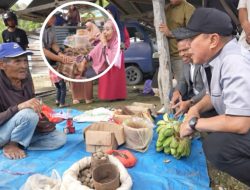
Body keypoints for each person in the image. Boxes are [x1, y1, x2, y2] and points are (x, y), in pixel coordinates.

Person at [176, 8, 250, 186]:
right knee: (207, 116)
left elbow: (240, 123)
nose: (188, 45)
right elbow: (213, 95)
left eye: (192, 39)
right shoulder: (214, 61)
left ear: (213, 40)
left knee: (216, 148)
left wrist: (193, 124)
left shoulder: (234, 61)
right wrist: (194, 108)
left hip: (244, 120)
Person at [0, 42, 66, 160]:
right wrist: (19, 107)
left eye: (25, 61)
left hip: (17, 128)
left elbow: (31, 104)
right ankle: (11, 145)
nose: (24, 66)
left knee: (59, 139)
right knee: (28, 114)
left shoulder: (25, 76)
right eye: (17, 61)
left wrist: (43, 119)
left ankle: (19, 144)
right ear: (1, 64)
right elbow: (24, 111)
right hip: (2, 131)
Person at [78, 19, 120, 103]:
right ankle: (84, 98)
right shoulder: (103, 41)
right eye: (104, 29)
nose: (104, 32)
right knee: (82, 71)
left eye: (107, 30)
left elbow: (111, 60)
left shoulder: (116, 43)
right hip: (101, 67)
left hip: (110, 68)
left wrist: (104, 42)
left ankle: (89, 98)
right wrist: (84, 61)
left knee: (87, 74)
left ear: (114, 31)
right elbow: (93, 52)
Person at [170, 30, 206, 117]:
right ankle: (181, 115)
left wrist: (190, 102)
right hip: (191, 95)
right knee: (172, 93)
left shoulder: (203, 62)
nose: (181, 54)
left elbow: (208, 90)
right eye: (179, 51)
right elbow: (182, 81)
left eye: (185, 50)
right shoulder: (186, 62)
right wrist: (177, 92)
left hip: (202, 98)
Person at [97, 4, 129, 101]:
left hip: (118, 53)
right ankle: (109, 96)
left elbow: (126, 38)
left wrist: (124, 45)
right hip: (108, 52)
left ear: (114, 13)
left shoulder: (121, 25)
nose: (108, 14)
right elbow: (102, 37)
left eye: (110, 12)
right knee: (108, 74)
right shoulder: (106, 25)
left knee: (117, 75)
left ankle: (119, 95)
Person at [159, 0, 195, 82]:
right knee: (165, 85)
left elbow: (191, 31)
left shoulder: (188, 8)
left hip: (181, 56)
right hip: (166, 55)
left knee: (183, 84)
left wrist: (170, 33)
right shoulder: (166, 8)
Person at [43, 15, 74, 107]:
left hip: (54, 76)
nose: (54, 20)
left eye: (54, 17)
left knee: (58, 88)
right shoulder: (43, 29)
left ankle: (57, 100)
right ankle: (62, 103)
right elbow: (44, 50)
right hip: (55, 69)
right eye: (52, 17)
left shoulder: (52, 27)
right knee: (63, 88)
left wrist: (60, 53)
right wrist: (61, 59)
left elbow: (53, 43)